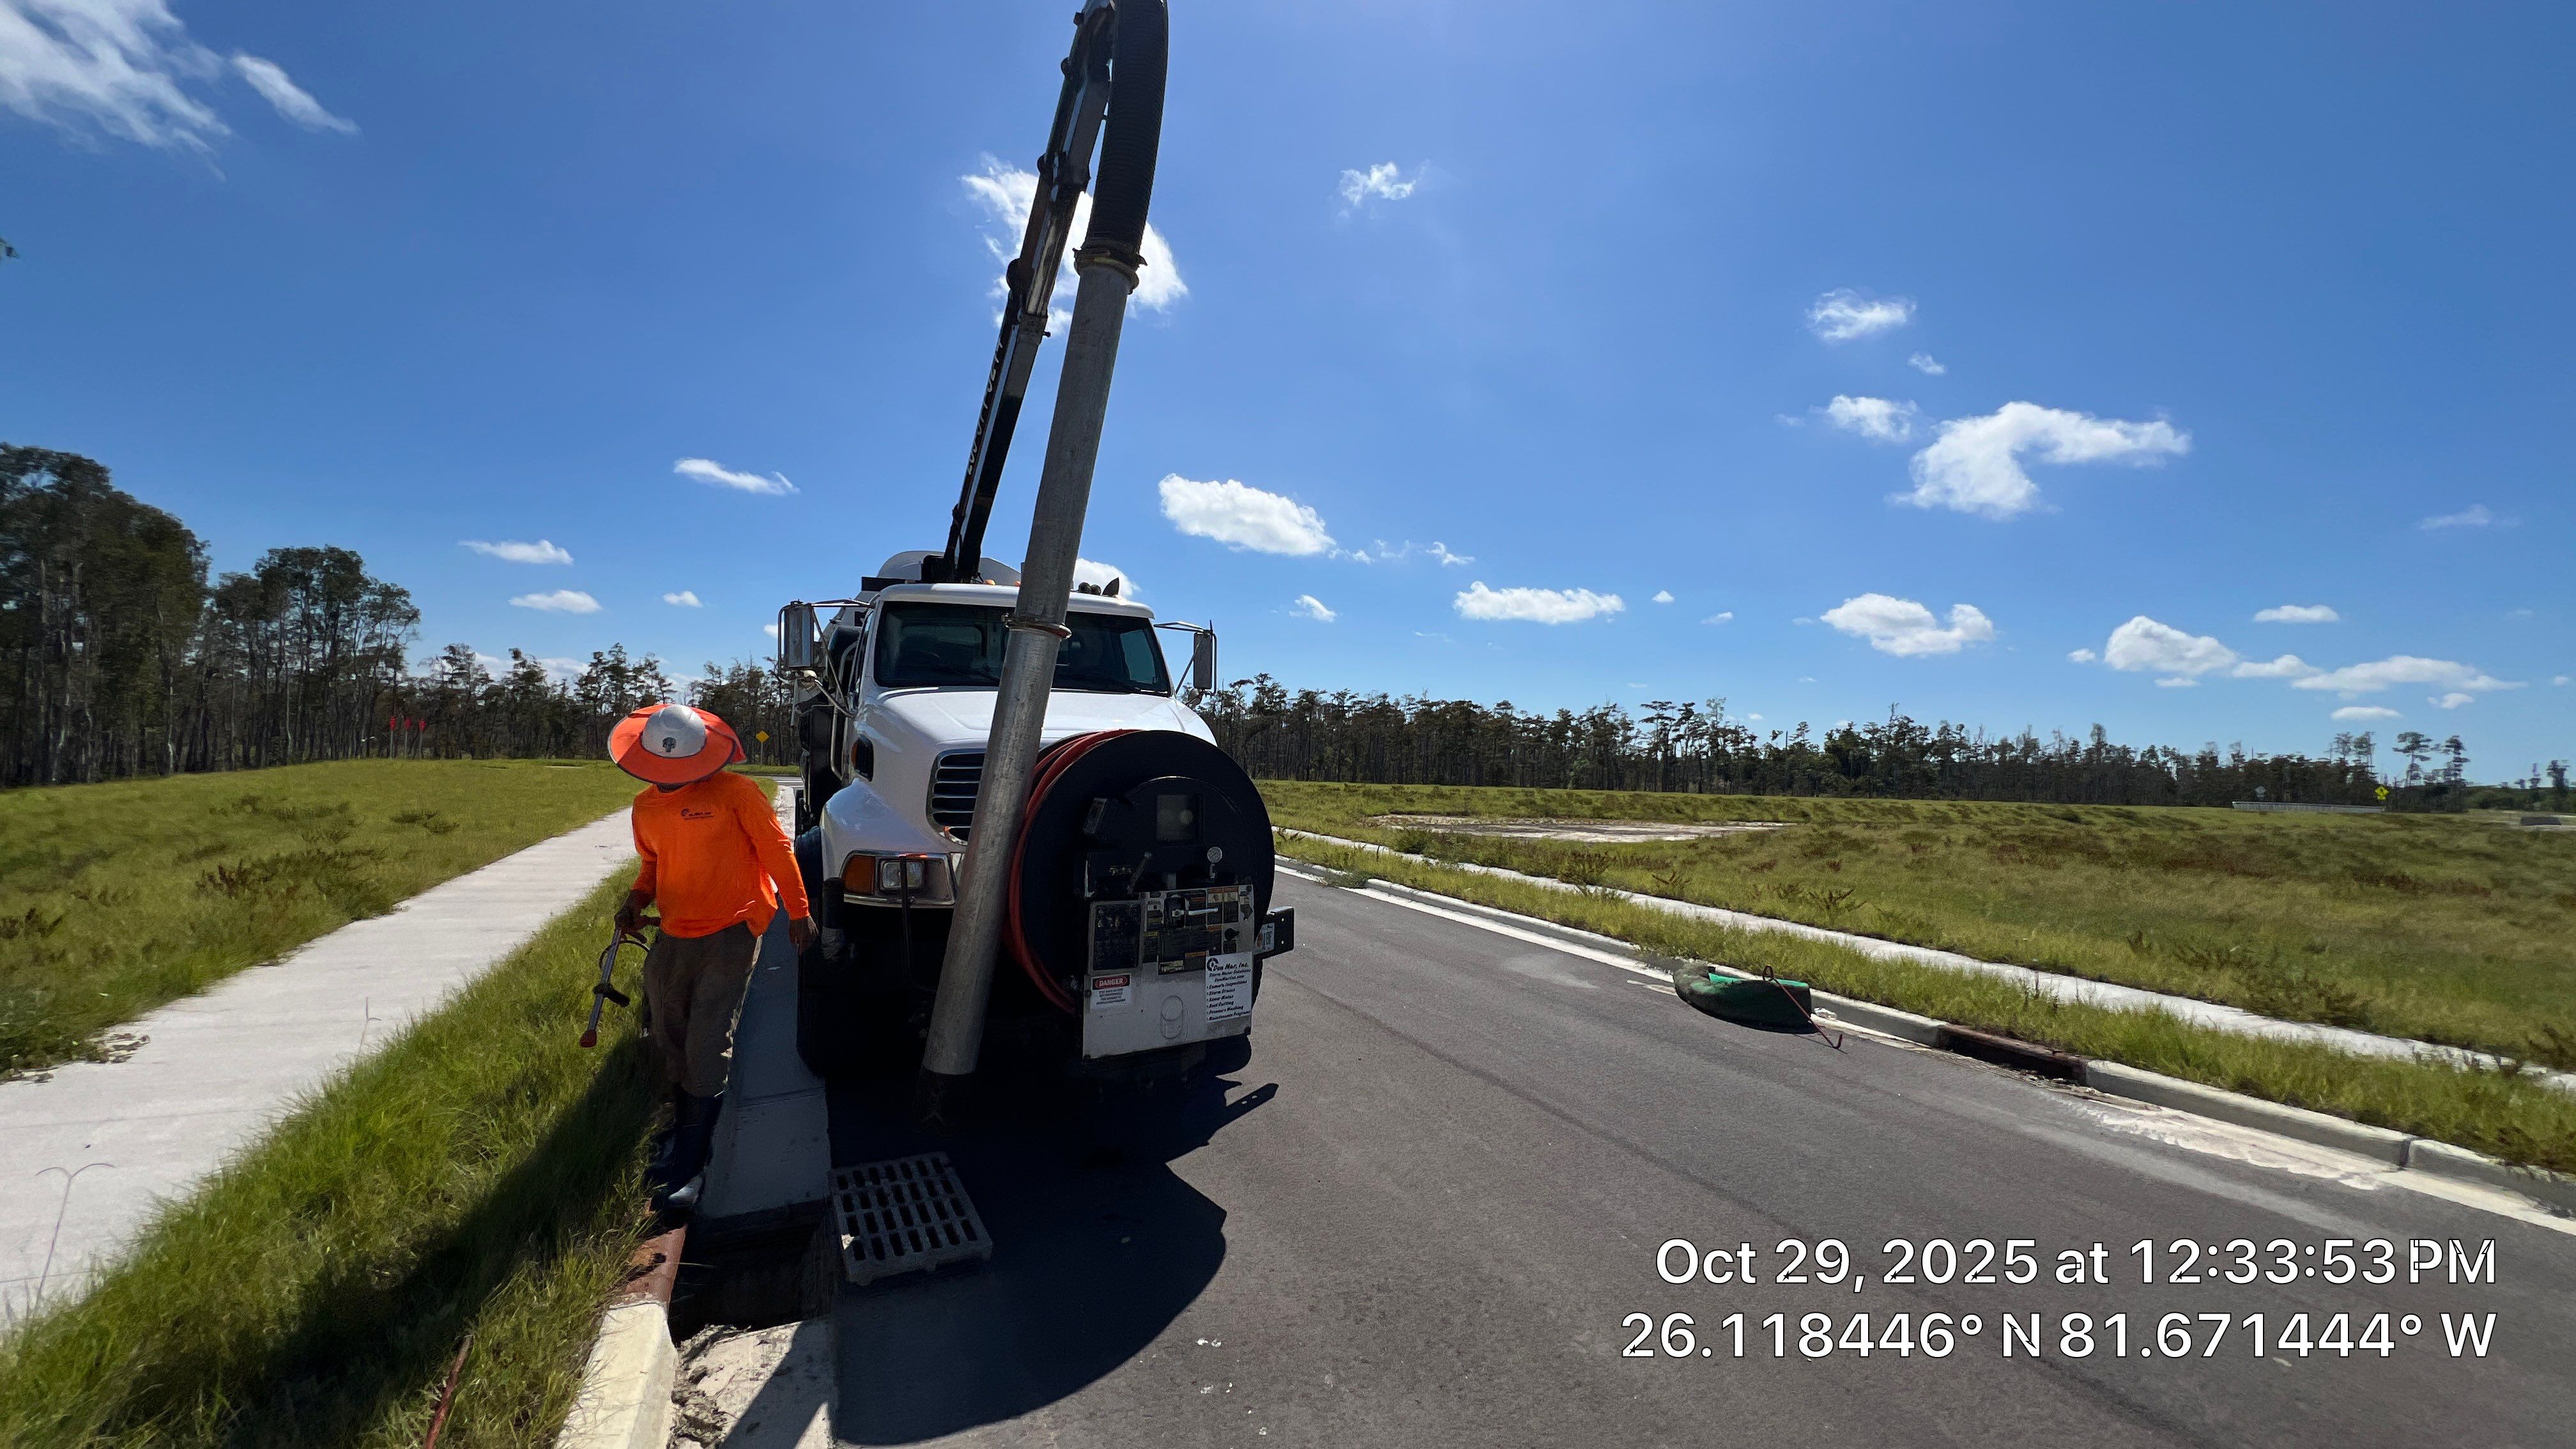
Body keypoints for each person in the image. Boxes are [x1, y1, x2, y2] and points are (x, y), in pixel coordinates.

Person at [608, 701, 815, 1213]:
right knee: (667, 1034)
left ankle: (693, 1166)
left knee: (707, 1038)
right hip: (675, 931)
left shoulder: (736, 793)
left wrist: (798, 911)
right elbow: (652, 864)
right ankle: (682, 1131)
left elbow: (776, 849)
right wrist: (637, 899)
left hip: (733, 927)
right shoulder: (645, 806)